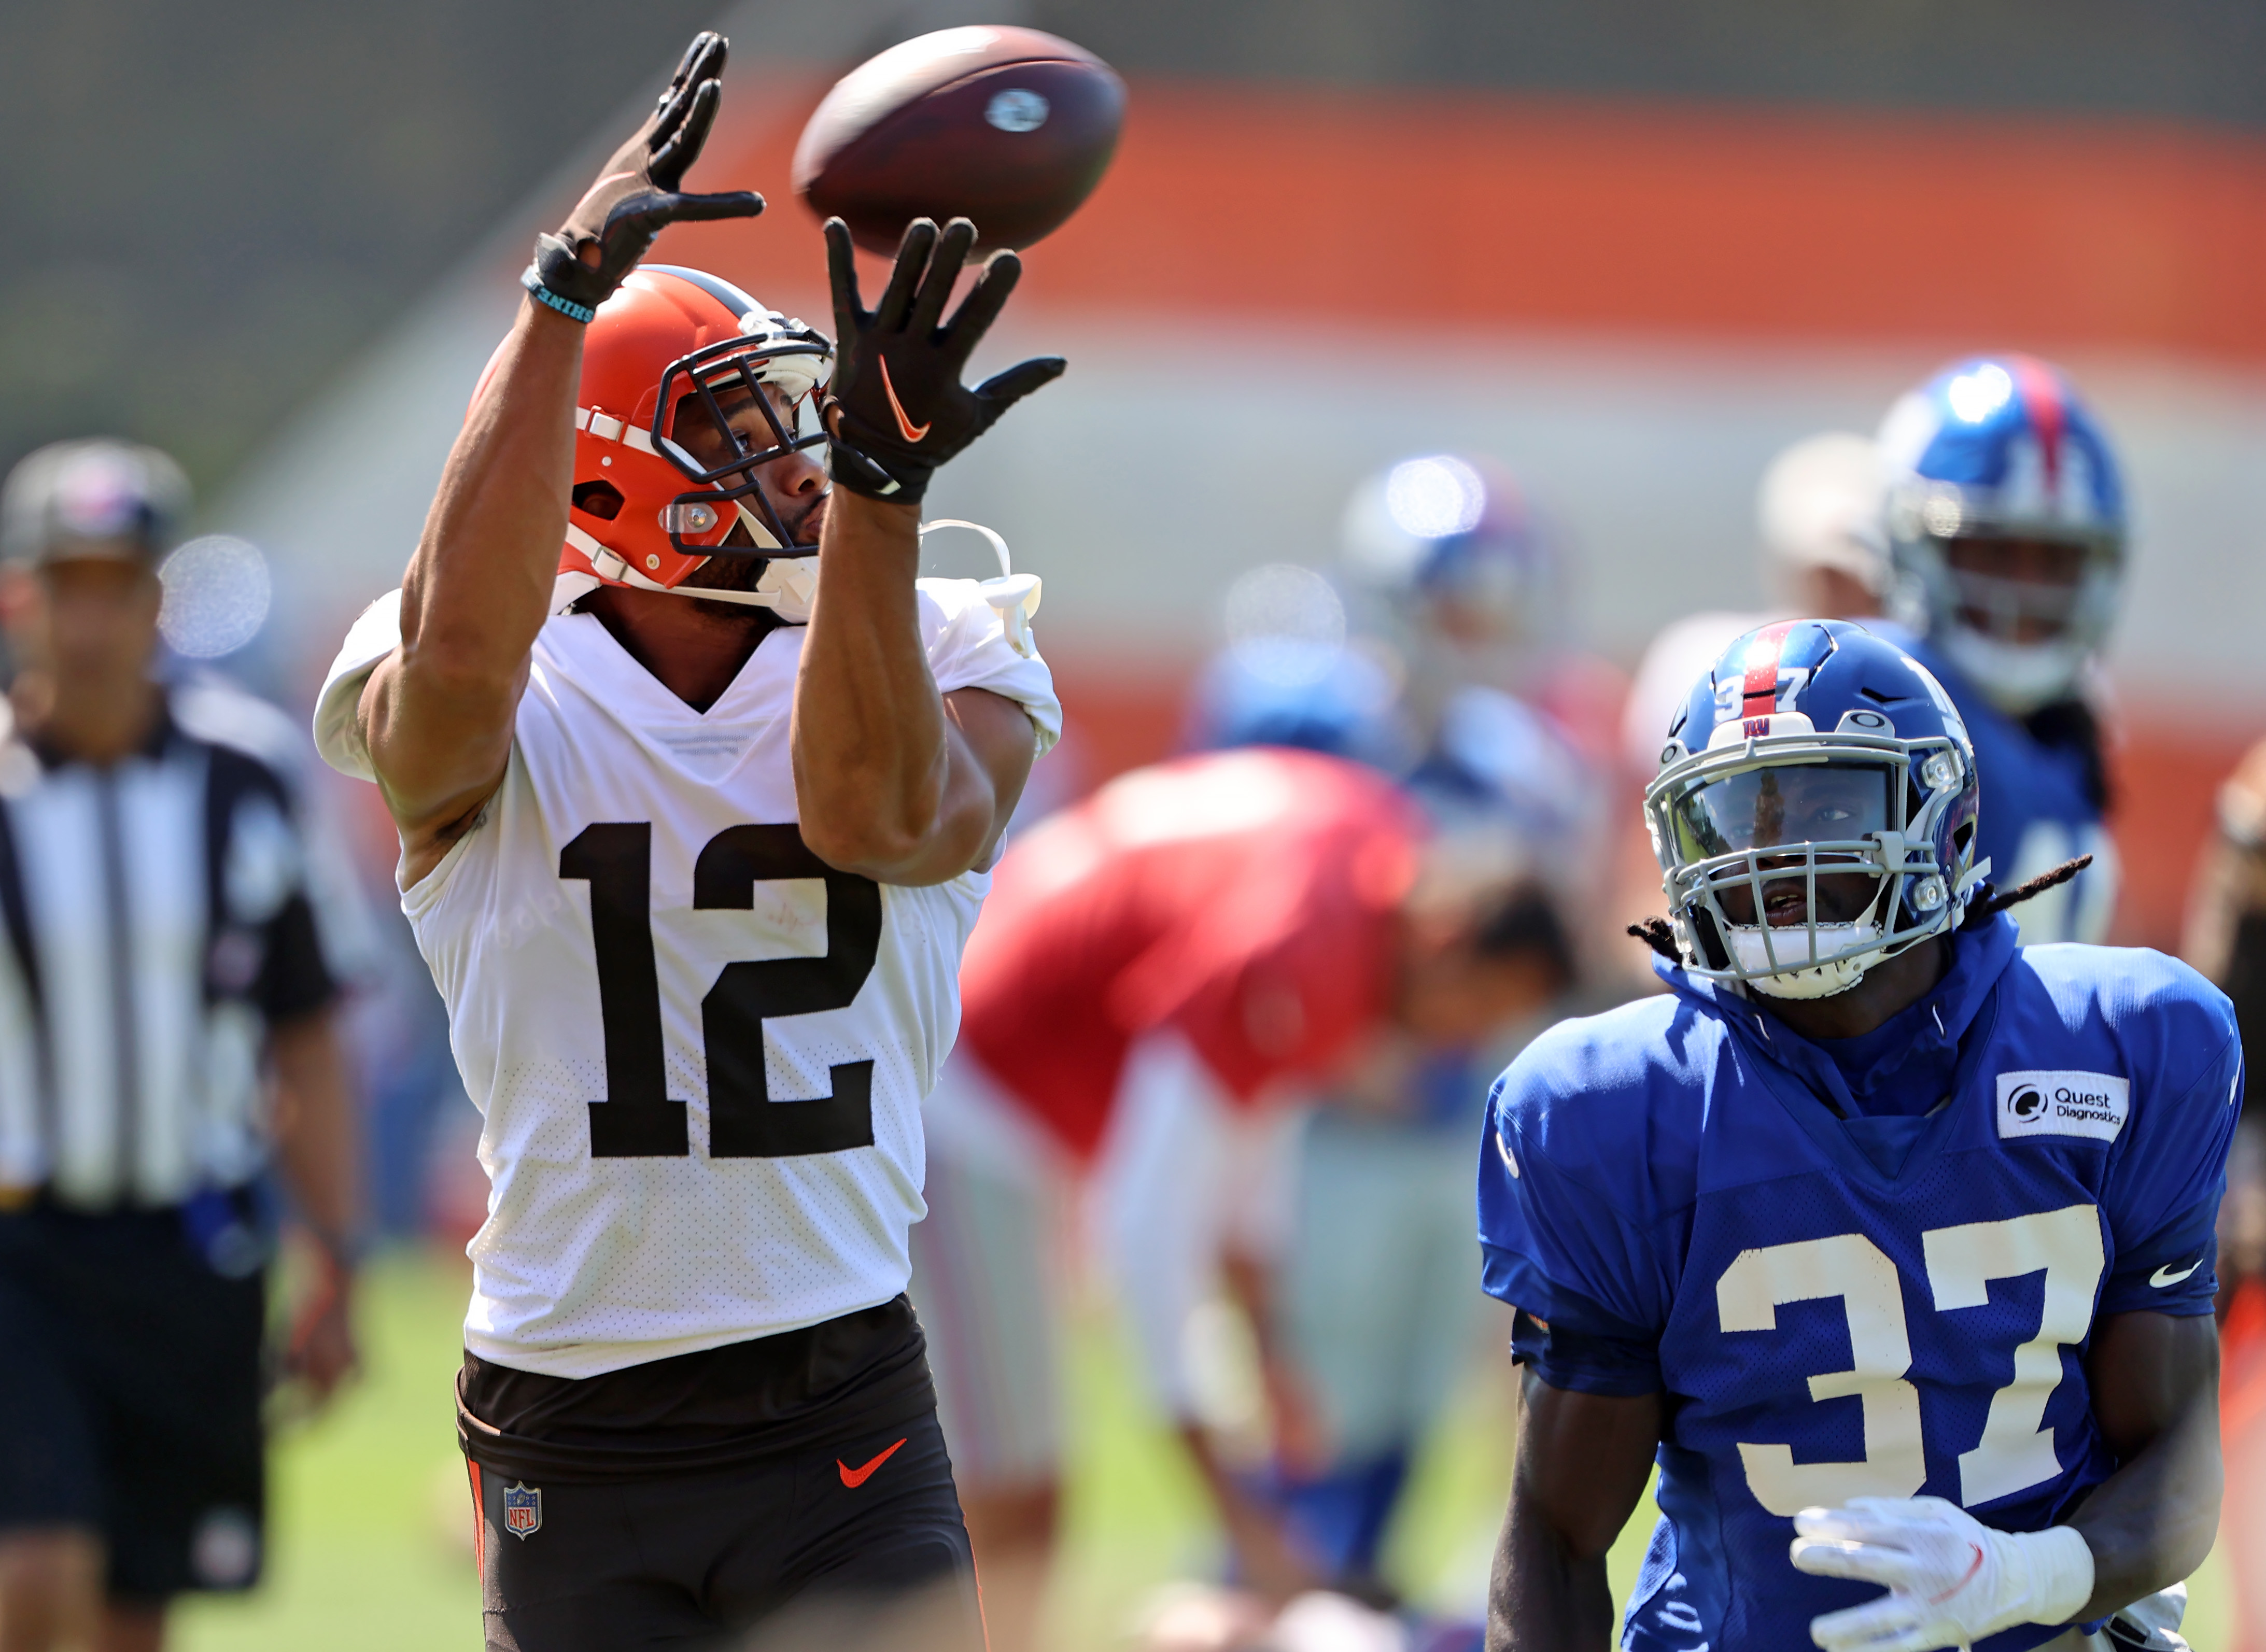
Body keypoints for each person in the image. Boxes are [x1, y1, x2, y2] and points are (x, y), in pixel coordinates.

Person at [308, 33, 1063, 1652]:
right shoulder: (470, 673)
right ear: (609, 480)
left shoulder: (943, 636)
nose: (792, 459)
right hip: (566, 1406)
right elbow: (444, 701)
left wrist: (881, 493)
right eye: (738, 434)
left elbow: (879, 817)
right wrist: (555, 303)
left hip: (835, 1387)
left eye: (796, 426)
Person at [1480, 619, 2230, 1652]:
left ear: (1949, 821)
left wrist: (2030, 1575)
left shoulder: (2126, 1046)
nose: (1773, 858)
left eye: (1825, 803)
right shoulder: (1608, 1108)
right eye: (1735, 818)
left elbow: (2176, 1459)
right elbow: (1558, 1534)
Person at [908, 745, 1571, 1651]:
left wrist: (1264, 1348)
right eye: (1480, 1004)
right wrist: (1237, 1515)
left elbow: (1244, 1136)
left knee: (1017, 1492)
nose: (1463, 1040)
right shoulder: (1310, 944)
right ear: (1447, 938)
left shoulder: (1368, 873)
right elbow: (1146, 1227)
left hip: (992, 1057)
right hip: (965, 1089)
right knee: (1013, 1495)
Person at [0, 439, 360, 1651]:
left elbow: (306, 1030)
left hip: (190, 1239)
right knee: (33, 1569)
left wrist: (337, 1254)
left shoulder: (246, 778)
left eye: (119, 585)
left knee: (134, 1612)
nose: (92, 618)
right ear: (22, 596)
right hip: (19, 1242)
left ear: (163, 597)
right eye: (69, 584)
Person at [1876, 355, 2124, 943]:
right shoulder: (1885, 691)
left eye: (2055, 559)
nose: (2026, 591)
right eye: (1994, 551)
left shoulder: (2067, 727)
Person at [1620, 430, 1885, 782]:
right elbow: (1645, 818)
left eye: (1849, 575)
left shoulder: (1915, 668)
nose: (1839, 590)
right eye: (1827, 573)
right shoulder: (1697, 661)